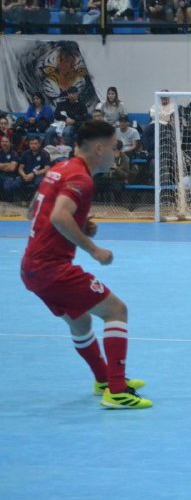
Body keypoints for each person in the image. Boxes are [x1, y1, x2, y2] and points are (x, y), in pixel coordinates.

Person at [19, 120, 151, 409]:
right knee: (116, 309)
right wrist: (93, 250)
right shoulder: (82, 178)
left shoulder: (60, 168)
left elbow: (34, 209)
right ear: (100, 148)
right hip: (52, 269)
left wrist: (80, 220)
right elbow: (57, 216)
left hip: (31, 268)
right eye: (115, 148)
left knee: (81, 321)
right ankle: (116, 392)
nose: (117, 154)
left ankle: (103, 379)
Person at [14, 136, 51, 203]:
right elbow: (20, 168)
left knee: (38, 183)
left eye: (35, 143)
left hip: (38, 175)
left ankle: (33, 200)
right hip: (26, 175)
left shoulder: (45, 154)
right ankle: (23, 199)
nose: (33, 145)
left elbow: (47, 169)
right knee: (16, 183)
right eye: (31, 143)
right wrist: (24, 175)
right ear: (29, 144)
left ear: (39, 144)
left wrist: (33, 174)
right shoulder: (25, 153)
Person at [0, 135, 21, 201]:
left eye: (6, 141)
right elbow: (9, 166)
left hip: (11, 176)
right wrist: (7, 164)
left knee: (7, 187)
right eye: (3, 141)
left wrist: (1, 166)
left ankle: (10, 201)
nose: (4, 143)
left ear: (10, 143)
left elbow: (12, 168)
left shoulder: (14, 153)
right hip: (1, 174)